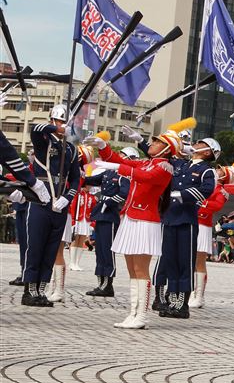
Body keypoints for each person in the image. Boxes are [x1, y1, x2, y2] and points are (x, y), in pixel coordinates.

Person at [88, 126, 178, 329]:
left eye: (157, 142)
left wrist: (116, 168)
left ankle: (142, 316)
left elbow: (143, 177)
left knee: (140, 269)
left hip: (146, 220)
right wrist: (104, 148)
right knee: (131, 269)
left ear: (167, 148)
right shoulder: (147, 163)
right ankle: (133, 312)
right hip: (131, 216)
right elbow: (123, 161)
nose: (152, 144)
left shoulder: (165, 167)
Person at [21, 105, 81, 307]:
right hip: (41, 200)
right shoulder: (43, 141)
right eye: (57, 121)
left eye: (64, 122)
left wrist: (68, 198)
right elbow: (36, 129)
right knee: (36, 247)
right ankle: (29, 290)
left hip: (60, 204)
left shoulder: (71, 150)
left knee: (51, 249)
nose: (60, 125)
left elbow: (75, 180)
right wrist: (54, 129)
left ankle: (41, 290)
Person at [152, 136, 217, 319]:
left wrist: (182, 195)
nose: (195, 144)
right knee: (170, 261)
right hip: (170, 218)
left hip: (186, 219)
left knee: (184, 263)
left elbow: (207, 190)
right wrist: (142, 141)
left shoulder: (206, 170)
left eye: (200, 144)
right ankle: (172, 301)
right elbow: (161, 153)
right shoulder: (181, 164)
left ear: (207, 152)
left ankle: (182, 305)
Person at [190, 163, 234, 309]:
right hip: (191, 220)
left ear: (224, 175)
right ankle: (190, 292)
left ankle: (199, 295)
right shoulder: (205, 182)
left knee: (199, 262)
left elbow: (215, 206)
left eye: (220, 170)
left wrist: (199, 202)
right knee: (189, 260)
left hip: (203, 224)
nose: (216, 170)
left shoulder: (222, 191)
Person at [82, 147, 137, 298]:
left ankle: (107, 285)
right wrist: (80, 173)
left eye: (122, 155)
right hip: (101, 214)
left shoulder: (124, 174)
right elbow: (92, 180)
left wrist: (110, 202)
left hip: (111, 215)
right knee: (99, 250)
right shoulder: (109, 172)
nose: (118, 157)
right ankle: (101, 282)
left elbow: (125, 193)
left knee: (107, 251)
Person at [45, 144, 95, 303]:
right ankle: (53, 287)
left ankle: (58, 289)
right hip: (60, 211)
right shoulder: (72, 171)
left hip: (64, 213)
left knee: (57, 252)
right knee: (52, 252)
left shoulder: (74, 173)